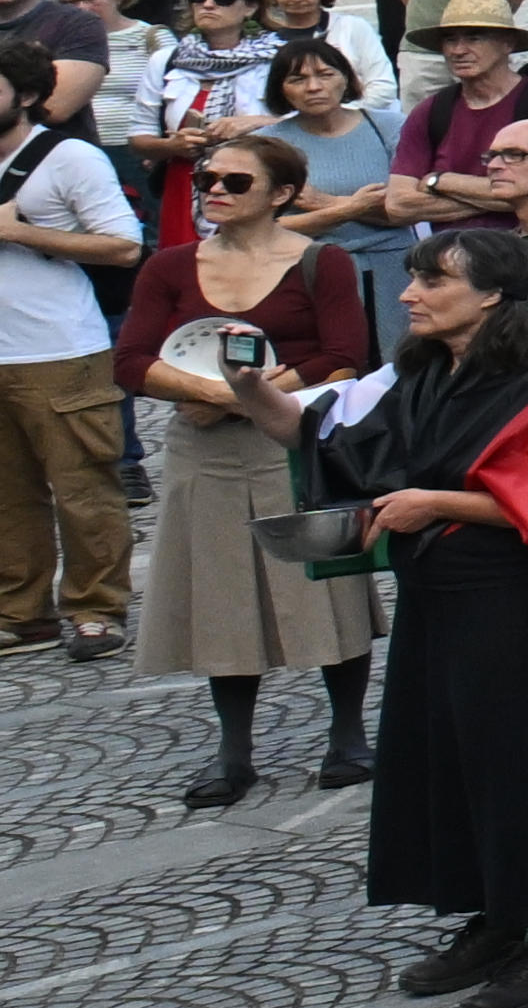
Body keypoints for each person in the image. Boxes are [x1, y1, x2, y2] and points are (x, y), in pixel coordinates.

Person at [315, 219, 528, 1008]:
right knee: (442, 753)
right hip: (438, 587)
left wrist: (435, 502)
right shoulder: (422, 369)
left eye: (433, 281)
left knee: (516, 760)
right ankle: (494, 916)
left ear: (492, 294)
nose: (410, 294)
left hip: (517, 590)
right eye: (414, 278)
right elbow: (327, 428)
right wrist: (239, 384)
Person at [116, 123, 372, 809]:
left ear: (282, 193)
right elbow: (132, 359)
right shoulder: (170, 266)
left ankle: (348, 735)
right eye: (206, 181)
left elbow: (344, 354)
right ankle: (234, 750)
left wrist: (255, 395)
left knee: (324, 588)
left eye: (235, 182)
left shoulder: (322, 262)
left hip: (292, 441)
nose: (214, 192)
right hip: (205, 447)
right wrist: (210, 394)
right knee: (221, 595)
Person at [0, 73, 127, 658]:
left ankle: (96, 609)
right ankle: (21, 612)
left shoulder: (68, 156)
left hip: (59, 349)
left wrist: (22, 232)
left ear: (24, 94)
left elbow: (124, 245)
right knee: (7, 492)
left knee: (83, 486)